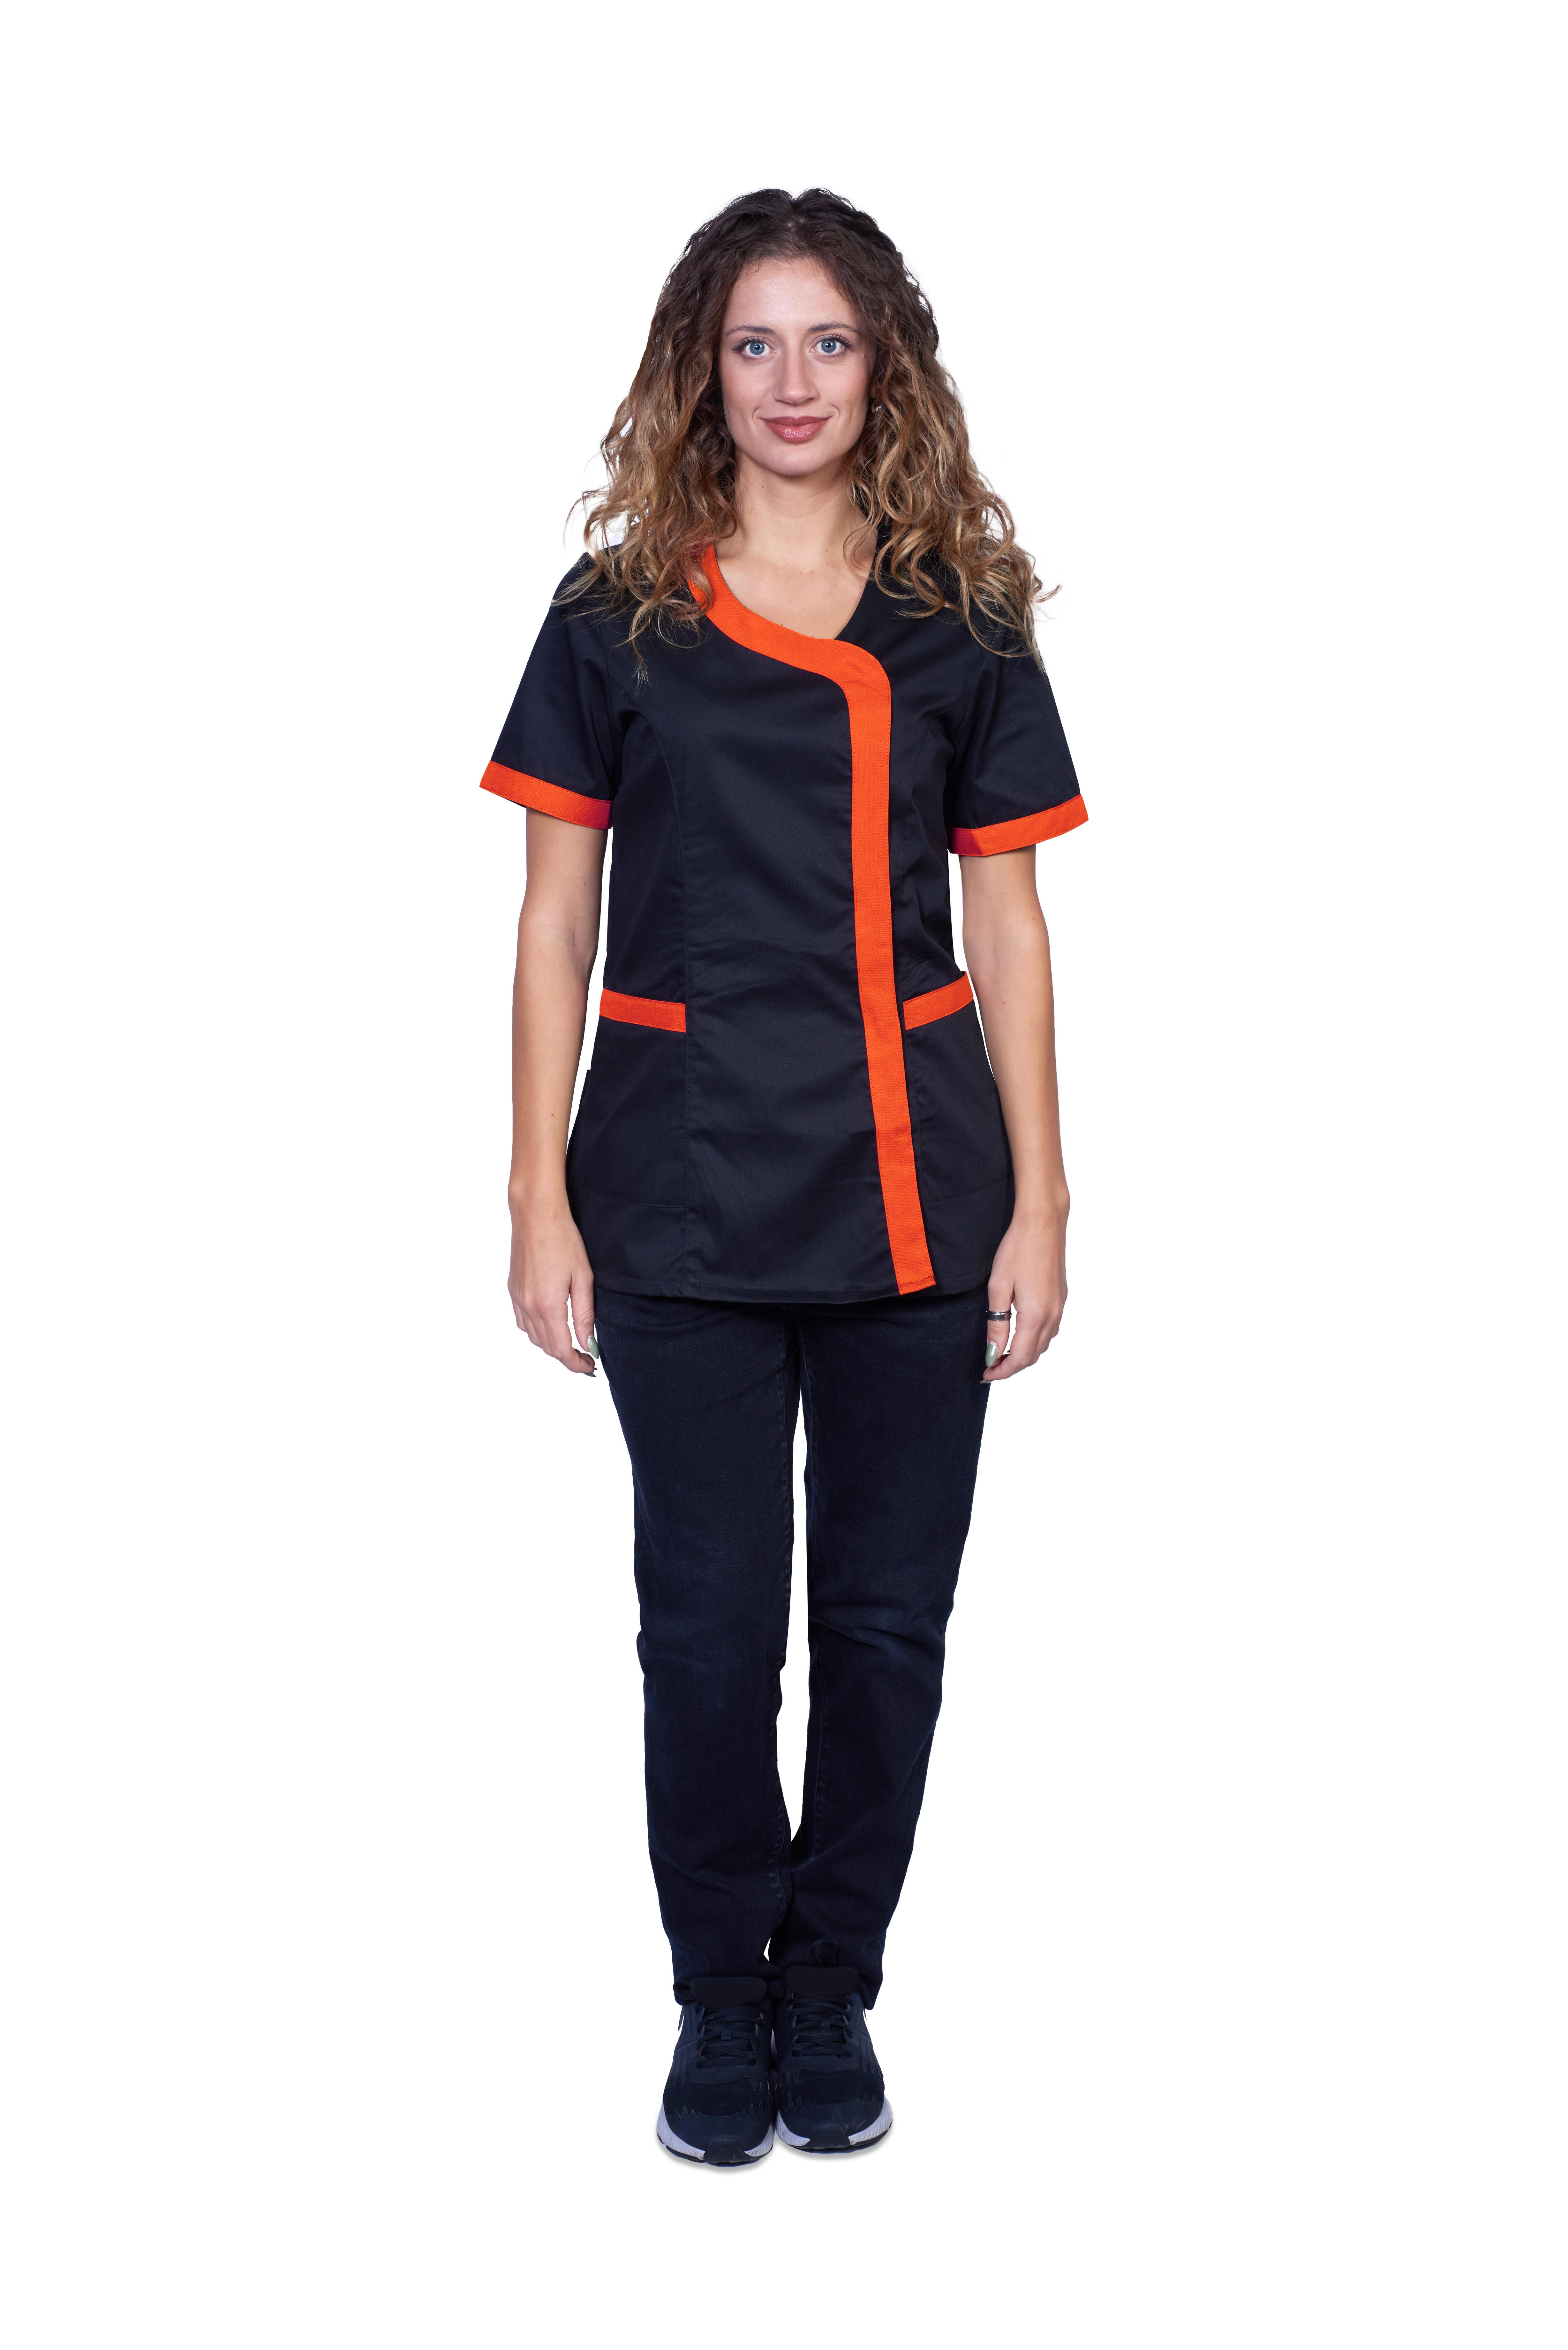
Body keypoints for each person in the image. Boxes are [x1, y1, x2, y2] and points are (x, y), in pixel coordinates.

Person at [481, 187, 1085, 2165]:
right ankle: (716, 1998)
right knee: (711, 1632)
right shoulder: (619, 616)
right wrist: (535, 1195)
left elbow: (1008, 928)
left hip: (920, 1192)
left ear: (884, 362)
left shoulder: (958, 620)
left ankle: (830, 1986)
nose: (794, 380)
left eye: (830, 340)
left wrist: (1046, 1203)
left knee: (890, 1631)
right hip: (675, 1193)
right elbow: (554, 919)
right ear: (703, 370)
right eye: (756, 343)